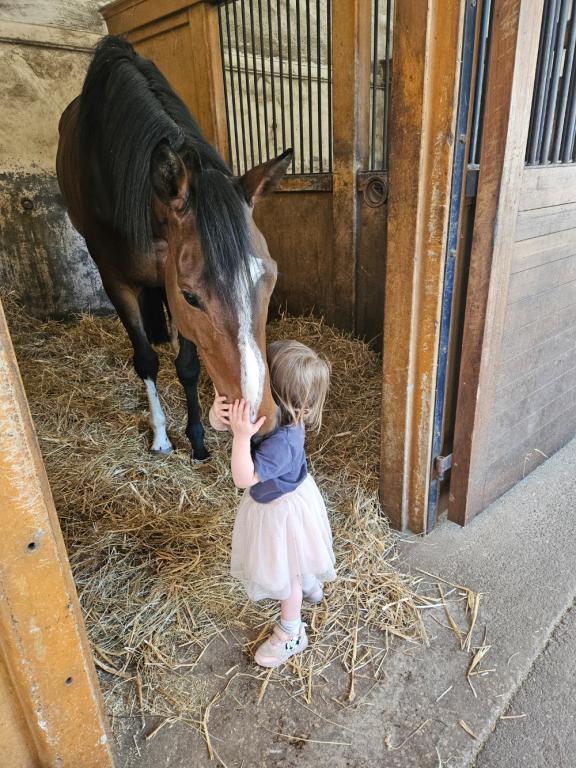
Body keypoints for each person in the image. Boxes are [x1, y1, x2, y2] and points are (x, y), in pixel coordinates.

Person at [209, 340, 336, 668]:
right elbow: (220, 423)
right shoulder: (276, 416)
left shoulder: (284, 442)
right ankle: (310, 581)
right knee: (295, 561)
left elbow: (243, 477)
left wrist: (239, 436)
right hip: (279, 504)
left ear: (278, 394)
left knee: (284, 577)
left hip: (281, 513)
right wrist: (218, 415)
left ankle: (292, 632)